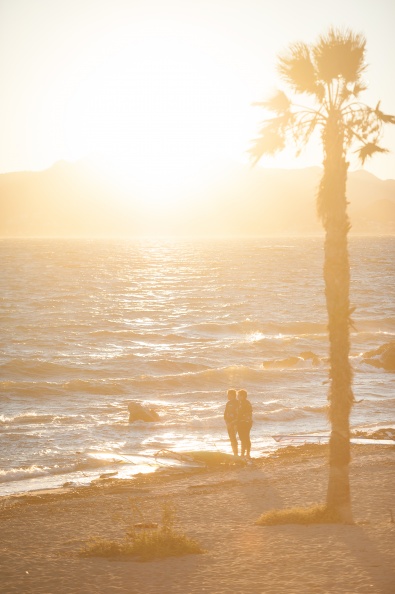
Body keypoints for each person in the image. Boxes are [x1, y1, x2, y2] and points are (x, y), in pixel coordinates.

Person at [237, 389, 253, 459]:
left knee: (245, 437)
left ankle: (246, 453)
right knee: (242, 437)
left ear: (243, 396)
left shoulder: (246, 403)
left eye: (239, 395)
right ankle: (244, 453)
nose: (237, 397)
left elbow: (245, 413)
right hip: (242, 422)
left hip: (246, 422)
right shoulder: (240, 403)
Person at [224, 388, 239, 456]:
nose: (228, 396)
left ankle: (236, 453)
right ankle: (234, 453)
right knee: (231, 438)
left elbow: (239, 414)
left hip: (235, 423)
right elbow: (225, 413)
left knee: (234, 438)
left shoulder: (238, 403)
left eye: (229, 395)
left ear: (233, 395)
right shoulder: (228, 403)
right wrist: (227, 422)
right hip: (229, 423)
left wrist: (233, 423)